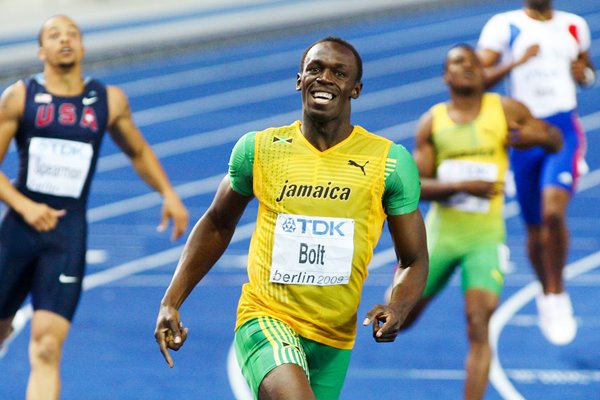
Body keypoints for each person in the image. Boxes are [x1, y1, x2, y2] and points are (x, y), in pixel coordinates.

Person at [154, 37, 429, 399]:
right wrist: (171, 300)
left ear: (356, 89)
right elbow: (218, 224)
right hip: (266, 317)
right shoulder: (259, 149)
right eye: (315, 69)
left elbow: (413, 259)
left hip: (334, 337)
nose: (325, 78)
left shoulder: (388, 163)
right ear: (299, 80)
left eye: (339, 73)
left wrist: (398, 307)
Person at [0, 15, 189, 399]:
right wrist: (24, 205)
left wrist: (167, 193)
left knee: (47, 346)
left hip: (67, 236)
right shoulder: (20, 97)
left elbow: (137, 151)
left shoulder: (108, 101)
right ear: (41, 50)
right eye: (54, 35)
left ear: (83, 47)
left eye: (72, 34)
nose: (65, 40)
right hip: (17, 232)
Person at [394, 44, 562, 400]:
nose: (468, 66)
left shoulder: (505, 110)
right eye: (458, 62)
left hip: (484, 239)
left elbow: (555, 140)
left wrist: (540, 138)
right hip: (441, 237)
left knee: (478, 324)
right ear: (446, 75)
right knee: (399, 320)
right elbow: (415, 187)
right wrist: (459, 186)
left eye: (473, 61)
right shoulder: (433, 122)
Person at [477, 0, 596, 345]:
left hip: (563, 130)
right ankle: (545, 290)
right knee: (533, 228)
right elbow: (477, 78)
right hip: (523, 134)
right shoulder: (503, 25)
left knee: (553, 212)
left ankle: (557, 294)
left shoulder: (575, 25)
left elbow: (585, 71)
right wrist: (516, 61)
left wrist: (585, 76)